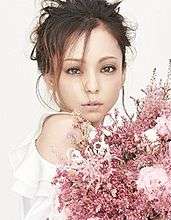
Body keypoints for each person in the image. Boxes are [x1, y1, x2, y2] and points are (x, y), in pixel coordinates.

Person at [9, 0, 136, 219]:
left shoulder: (98, 138)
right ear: (50, 77)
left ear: (123, 72)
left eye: (107, 68)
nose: (93, 86)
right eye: (74, 70)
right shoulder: (66, 129)